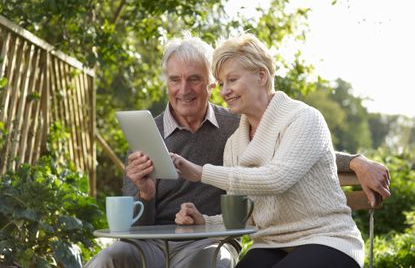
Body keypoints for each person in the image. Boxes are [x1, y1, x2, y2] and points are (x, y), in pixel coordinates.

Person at [85, 32, 390, 268]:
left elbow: (289, 163)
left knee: (211, 262)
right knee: (106, 261)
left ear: (209, 87)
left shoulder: (242, 122)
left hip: (299, 240)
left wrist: (356, 162)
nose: (184, 89)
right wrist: (149, 194)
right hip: (244, 241)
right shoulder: (223, 136)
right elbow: (245, 212)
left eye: (196, 80)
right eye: (175, 80)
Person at [172, 33, 379, 268]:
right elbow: (244, 216)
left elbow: (276, 178)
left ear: (261, 76)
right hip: (271, 245)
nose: (225, 91)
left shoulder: (303, 118)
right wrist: (204, 222)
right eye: (221, 84)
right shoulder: (234, 143)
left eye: (232, 80)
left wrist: (201, 172)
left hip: (328, 240)